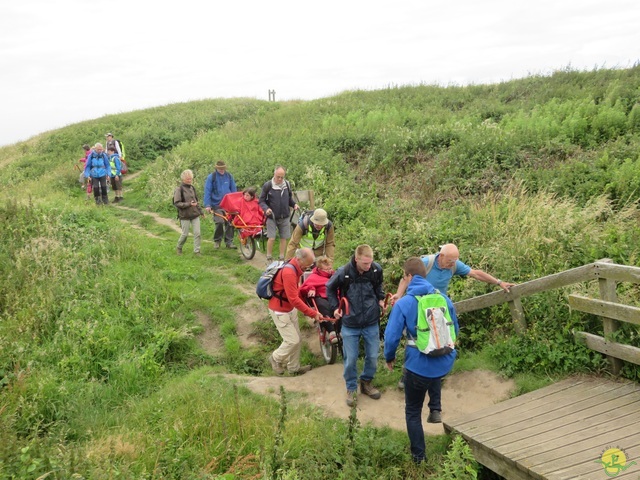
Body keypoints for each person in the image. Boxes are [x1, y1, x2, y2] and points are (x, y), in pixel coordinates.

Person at [384, 257, 460, 464]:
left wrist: (389, 358)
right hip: (445, 362)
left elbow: (391, 337)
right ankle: (435, 407)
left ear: (409, 277)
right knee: (433, 373)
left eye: (404, 277)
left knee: (412, 411)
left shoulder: (405, 303)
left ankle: (419, 458)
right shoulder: (443, 298)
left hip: (418, 367)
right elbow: (455, 330)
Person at [326, 244, 386, 406]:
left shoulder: (375, 270)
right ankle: (351, 388)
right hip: (350, 323)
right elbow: (329, 289)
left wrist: (380, 299)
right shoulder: (344, 272)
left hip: (371, 321)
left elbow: (378, 286)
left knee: (373, 357)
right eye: (365, 263)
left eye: (370, 262)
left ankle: (366, 382)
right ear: (356, 258)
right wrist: (335, 308)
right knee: (351, 359)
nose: (368, 266)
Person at [392, 243, 516, 300]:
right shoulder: (426, 262)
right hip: (420, 304)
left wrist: (499, 282)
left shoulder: (454, 265)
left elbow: (476, 273)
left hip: (440, 304)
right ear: (441, 256)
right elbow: (406, 278)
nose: (452, 264)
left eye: (455, 261)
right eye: (450, 261)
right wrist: (399, 294)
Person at [267, 248, 321, 376]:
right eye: (307, 265)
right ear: (299, 259)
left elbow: (295, 292)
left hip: (289, 310)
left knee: (298, 339)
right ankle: (275, 358)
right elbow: (294, 299)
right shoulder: (289, 273)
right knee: (292, 341)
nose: (308, 268)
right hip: (280, 311)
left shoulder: (296, 267)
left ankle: (294, 369)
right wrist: (312, 313)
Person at [258, 166, 299, 262]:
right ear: (274, 175)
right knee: (271, 238)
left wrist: (294, 205)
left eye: (282, 177)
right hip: (271, 216)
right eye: (278, 177)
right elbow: (261, 201)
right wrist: (266, 209)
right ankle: (269, 257)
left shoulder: (287, 185)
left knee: (284, 238)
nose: (280, 179)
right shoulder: (268, 185)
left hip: (285, 216)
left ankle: (281, 258)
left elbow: (289, 199)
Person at [299, 255, 338, 344]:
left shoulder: (334, 275)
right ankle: (331, 331)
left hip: (333, 296)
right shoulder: (314, 276)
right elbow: (305, 287)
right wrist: (311, 288)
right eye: (326, 270)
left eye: (330, 269)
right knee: (322, 306)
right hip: (321, 297)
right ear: (319, 269)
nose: (329, 271)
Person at [204, 160, 238, 249]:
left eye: (223, 168)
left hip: (228, 205)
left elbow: (234, 190)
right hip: (217, 204)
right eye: (220, 168)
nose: (222, 170)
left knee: (230, 223)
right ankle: (217, 240)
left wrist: (236, 203)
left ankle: (229, 242)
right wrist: (207, 205)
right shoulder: (211, 177)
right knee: (219, 222)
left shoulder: (229, 176)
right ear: (217, 168)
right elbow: (207, 191)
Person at [173, 169, 203, 256]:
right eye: (188, 179)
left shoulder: (192, 188)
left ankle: (197, 251)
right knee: (185, 234)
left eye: (191, 178)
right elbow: (177, 203)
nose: (190, 180)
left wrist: (201, 212)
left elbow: (196, 201)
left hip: (195, 214)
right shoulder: (179, 189)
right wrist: (189, 204)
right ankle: (179, 247)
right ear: (183, 179)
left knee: (197, 233)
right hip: (184, 215)